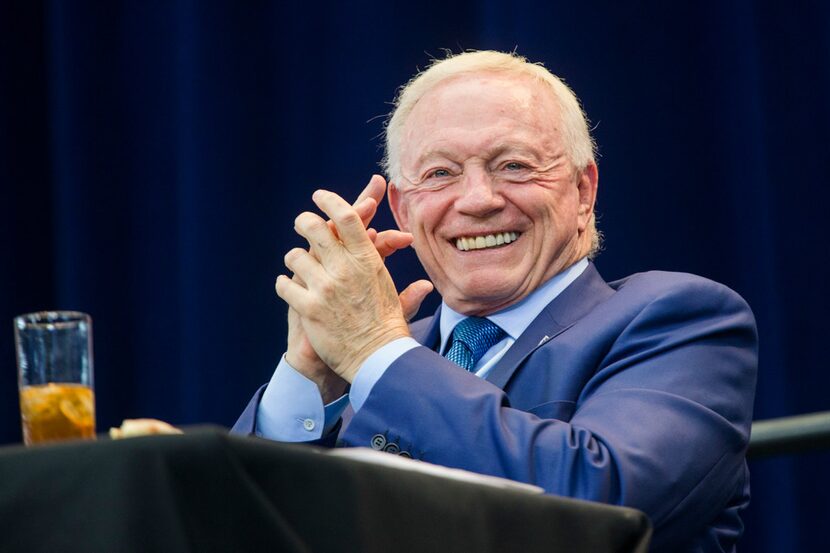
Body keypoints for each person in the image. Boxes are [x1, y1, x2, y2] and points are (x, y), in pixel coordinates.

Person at [233, 50, 757, 552]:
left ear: (582, 191)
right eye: (440, 173)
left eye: (513, 166)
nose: (479, 199)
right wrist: (310, 380)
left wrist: (375, 350)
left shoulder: (680, 320)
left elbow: (601, 507)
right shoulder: (374, 363)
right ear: (402, 208)